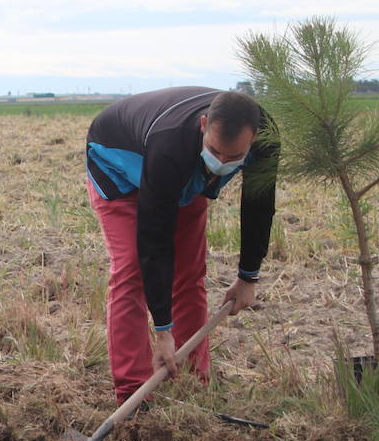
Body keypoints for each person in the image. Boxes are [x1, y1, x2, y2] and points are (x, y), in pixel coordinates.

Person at [85, 87, 277, 403]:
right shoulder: (170, 144)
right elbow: (154, 238)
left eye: (234, 158)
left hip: (185, 172)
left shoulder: (267, 140)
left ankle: (192, 381)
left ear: (254, 138)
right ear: (204, 125)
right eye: (215, 152)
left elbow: (258, 205)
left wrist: (247, 277)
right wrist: (163, 331)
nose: (222, 163)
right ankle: (133, 392)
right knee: (133, 268)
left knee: (189, 272)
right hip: (118, 162)